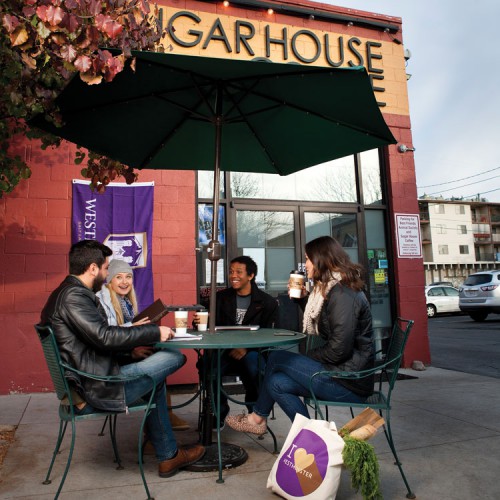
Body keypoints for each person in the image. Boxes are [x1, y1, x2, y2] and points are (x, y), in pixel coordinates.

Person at [40, 240, 204, 477]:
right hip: (94, 387)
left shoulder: (65, 293)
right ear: (93, 268)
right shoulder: (74, 297)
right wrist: (155, 332)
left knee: (155, 378)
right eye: (106, 269)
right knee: (174, 357)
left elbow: (93, 342)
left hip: (90, 379)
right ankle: (168, 453)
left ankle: (167, 453)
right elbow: (104, 336)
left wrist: (130, 352)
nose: (107, 274)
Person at [225, 236, 374, 435]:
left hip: (349, 381)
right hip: (340, 373)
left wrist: (302, 360)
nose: (305, 264)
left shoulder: (342, 293)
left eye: (308, 259)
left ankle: (257, 418)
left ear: (321, 259)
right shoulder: (334, 289)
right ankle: (310, 437)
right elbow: (327, 324)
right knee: (275, 382)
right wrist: (303, 300)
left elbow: (339, 349)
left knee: (278, 358)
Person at [97, 258, 190, 431]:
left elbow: (122, 337)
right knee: (172, 359)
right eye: (119, 277)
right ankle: (162, 423)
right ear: (110, 280)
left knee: (158, 354)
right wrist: (133, 333)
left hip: (120, 358)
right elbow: (107, 337)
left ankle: (158, 429)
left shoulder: (125, 302)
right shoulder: (102, 302)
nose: (125, 282)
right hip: (109, 369)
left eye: (128, 277)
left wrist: (134, 349)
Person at [194, 256, 278, 428]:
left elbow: (271, 335)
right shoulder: (220, 298)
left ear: (251, 275)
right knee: (206, 364)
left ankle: (255, 415)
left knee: (254, 366)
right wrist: (198, 323)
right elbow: (209, 327)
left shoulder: (267, 302)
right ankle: (217, 412)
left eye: (239, 272)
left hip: (252, 352)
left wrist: (246, 348)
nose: (234, 276)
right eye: (231, 272)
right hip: (224, 351)